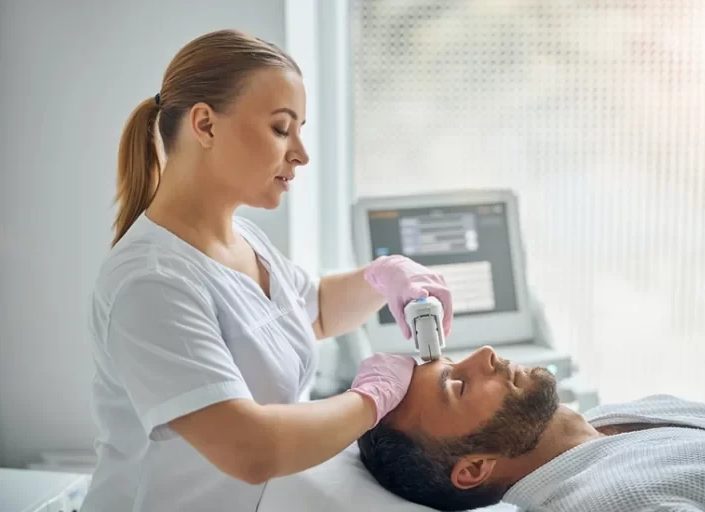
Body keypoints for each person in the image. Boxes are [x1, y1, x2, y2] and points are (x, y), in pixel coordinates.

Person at [80, 29, 454, 512]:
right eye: (281, 129)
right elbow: (250, 450)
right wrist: (373, 398)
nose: (301, 153)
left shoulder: (244, 238)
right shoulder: (151, 282)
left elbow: (313, 313)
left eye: (300, 130)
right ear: (205, 125)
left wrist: (383, 276)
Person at [358, 346, 705, 512]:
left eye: (454, 361)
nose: (485, 355)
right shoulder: (603, 505)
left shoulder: (621, 415)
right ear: (474, 468)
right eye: (459, 386)